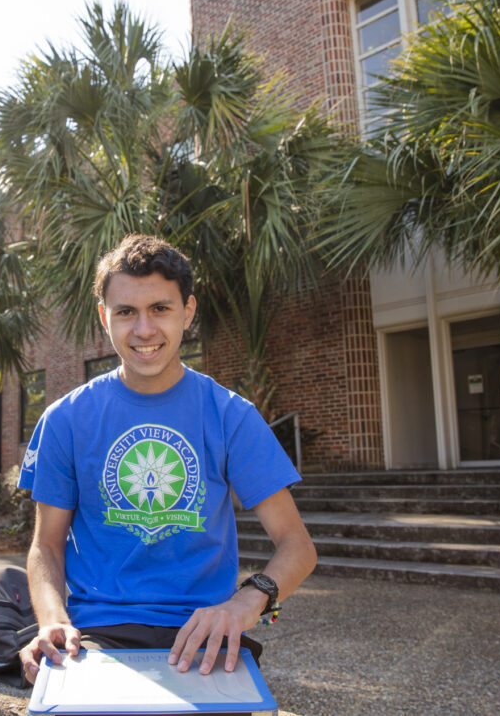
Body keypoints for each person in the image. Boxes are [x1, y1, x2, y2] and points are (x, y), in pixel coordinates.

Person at [17, 234, 316, 684]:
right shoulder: (66, 419)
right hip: (100, 633)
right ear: (105, 317)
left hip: (205, 634)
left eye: (160, 308)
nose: (144, 330)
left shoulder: (232, 415)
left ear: (188, 312)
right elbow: (47, 546)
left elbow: (297, 545)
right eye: (126, 312)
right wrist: (53, 621)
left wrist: (243, 604)